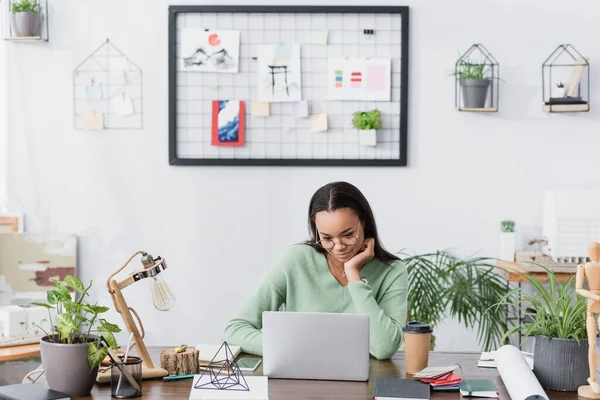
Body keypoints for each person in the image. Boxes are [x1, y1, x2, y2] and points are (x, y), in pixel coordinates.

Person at [223, 181, 408, 360]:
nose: (338, 247)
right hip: (296, 377)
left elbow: (384, 347)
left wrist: (353, 274)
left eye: (348, 235)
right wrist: (288, 348)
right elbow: (236, 328)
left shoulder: (392, 272)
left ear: (364, 222)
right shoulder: (296, 260)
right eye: (327, 238)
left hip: (362, 383)